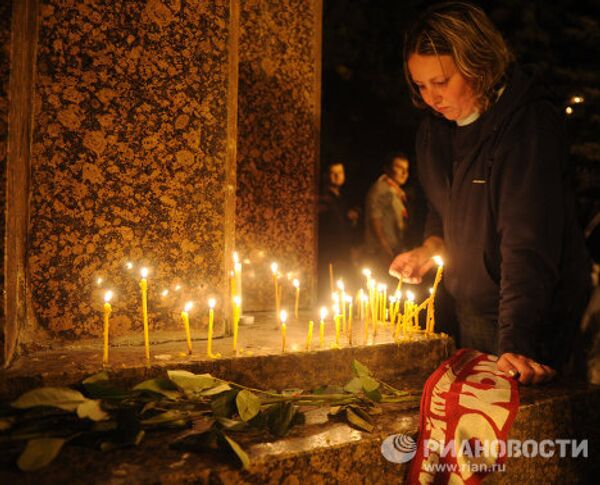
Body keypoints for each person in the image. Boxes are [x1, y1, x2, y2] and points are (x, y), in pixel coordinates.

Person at [389, 2, 590, 385]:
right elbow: (440, 206)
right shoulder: (436, 129)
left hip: (531, 313)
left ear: (477, 65)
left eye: (441, 82)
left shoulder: (526, 127)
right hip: (473, 309)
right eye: (420, 85)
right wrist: (430, 247)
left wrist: (517, 341)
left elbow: (527, 240)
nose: (430, 98)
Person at [364, 153, 410, 278]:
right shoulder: (381, 188)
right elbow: (375, 218)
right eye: (399, 167)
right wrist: (384, 247)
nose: (404, 172)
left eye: (406, 169)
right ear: (387, 168)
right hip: (381, 253)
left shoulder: (395, 191)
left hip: (392, 249)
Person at [318, 162, 360, 299]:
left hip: (343, 251)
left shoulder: (341, 197)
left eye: (340, 173)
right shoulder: (323, 198)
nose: (337, 176)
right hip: (331, 252)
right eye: (333, 173)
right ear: (326, 176)